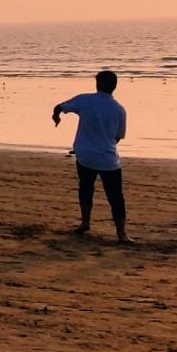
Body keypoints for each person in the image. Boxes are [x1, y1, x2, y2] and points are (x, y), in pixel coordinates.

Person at [51, 71, 131, 244]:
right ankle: (121, 233)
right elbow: (118, 137)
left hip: (85, 155)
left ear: (100, 84)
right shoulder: (119, 109)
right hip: (108, 158)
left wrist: (56, 116)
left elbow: (59, 107)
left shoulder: (85, 100)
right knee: (116, 196)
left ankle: (85, 222)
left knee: (86, 189)